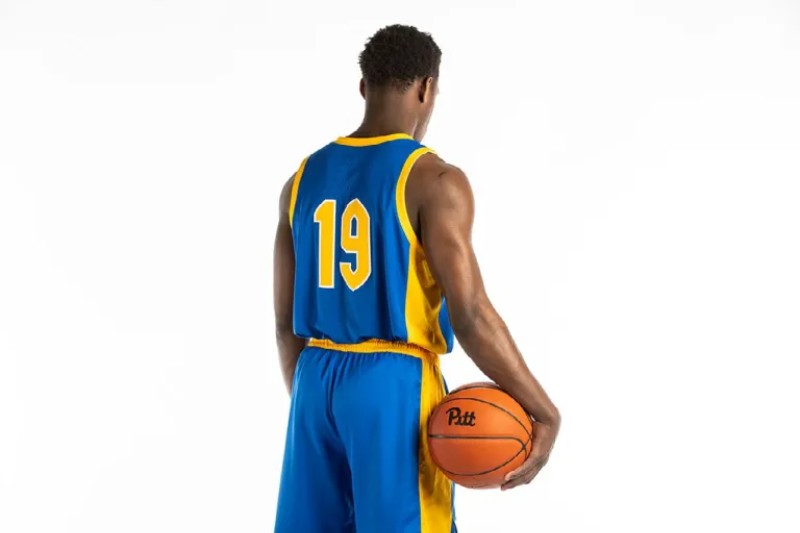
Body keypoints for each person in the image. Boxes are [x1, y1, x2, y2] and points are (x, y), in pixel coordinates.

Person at [272, 24, 560, 533]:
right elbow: (471, 315)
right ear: (427, 88)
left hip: (313, 380)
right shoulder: (435, 180)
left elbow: (283, 322)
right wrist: (543, 410)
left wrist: (317, 405)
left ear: (364, 86)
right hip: (392, 382)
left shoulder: (300, 180)